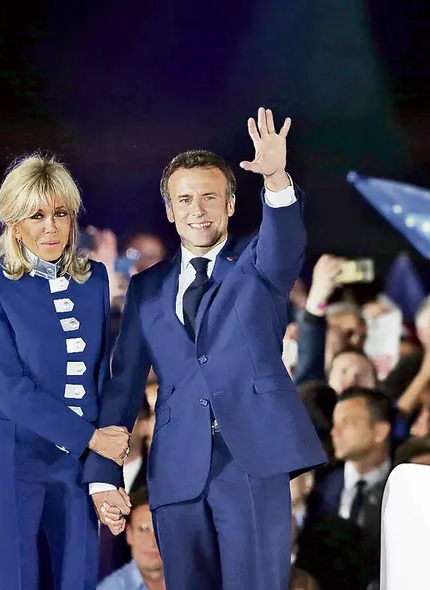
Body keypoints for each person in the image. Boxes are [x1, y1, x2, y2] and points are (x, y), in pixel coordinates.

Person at [86, 108, 327, 590]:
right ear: (171, 210)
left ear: (231, 204)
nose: (198, 209)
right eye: (186, 199)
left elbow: (285, 241)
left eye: (210, 197)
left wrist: (277, 178)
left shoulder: (257, 266)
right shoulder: (146, 288)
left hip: (251, 461)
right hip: (176, 470)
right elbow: (125, 384)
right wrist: (101, 470)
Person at [0, 154, 132, 590]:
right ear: (14, 222)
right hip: (12, 460)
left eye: (61, 213)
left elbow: (98, 379)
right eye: (37, 215)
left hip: (76, 465)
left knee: (78, 580)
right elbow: (8, 387)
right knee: (21, 582)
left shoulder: (94, 278)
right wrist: (92, 439)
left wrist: (103, 472)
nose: (51, 227)